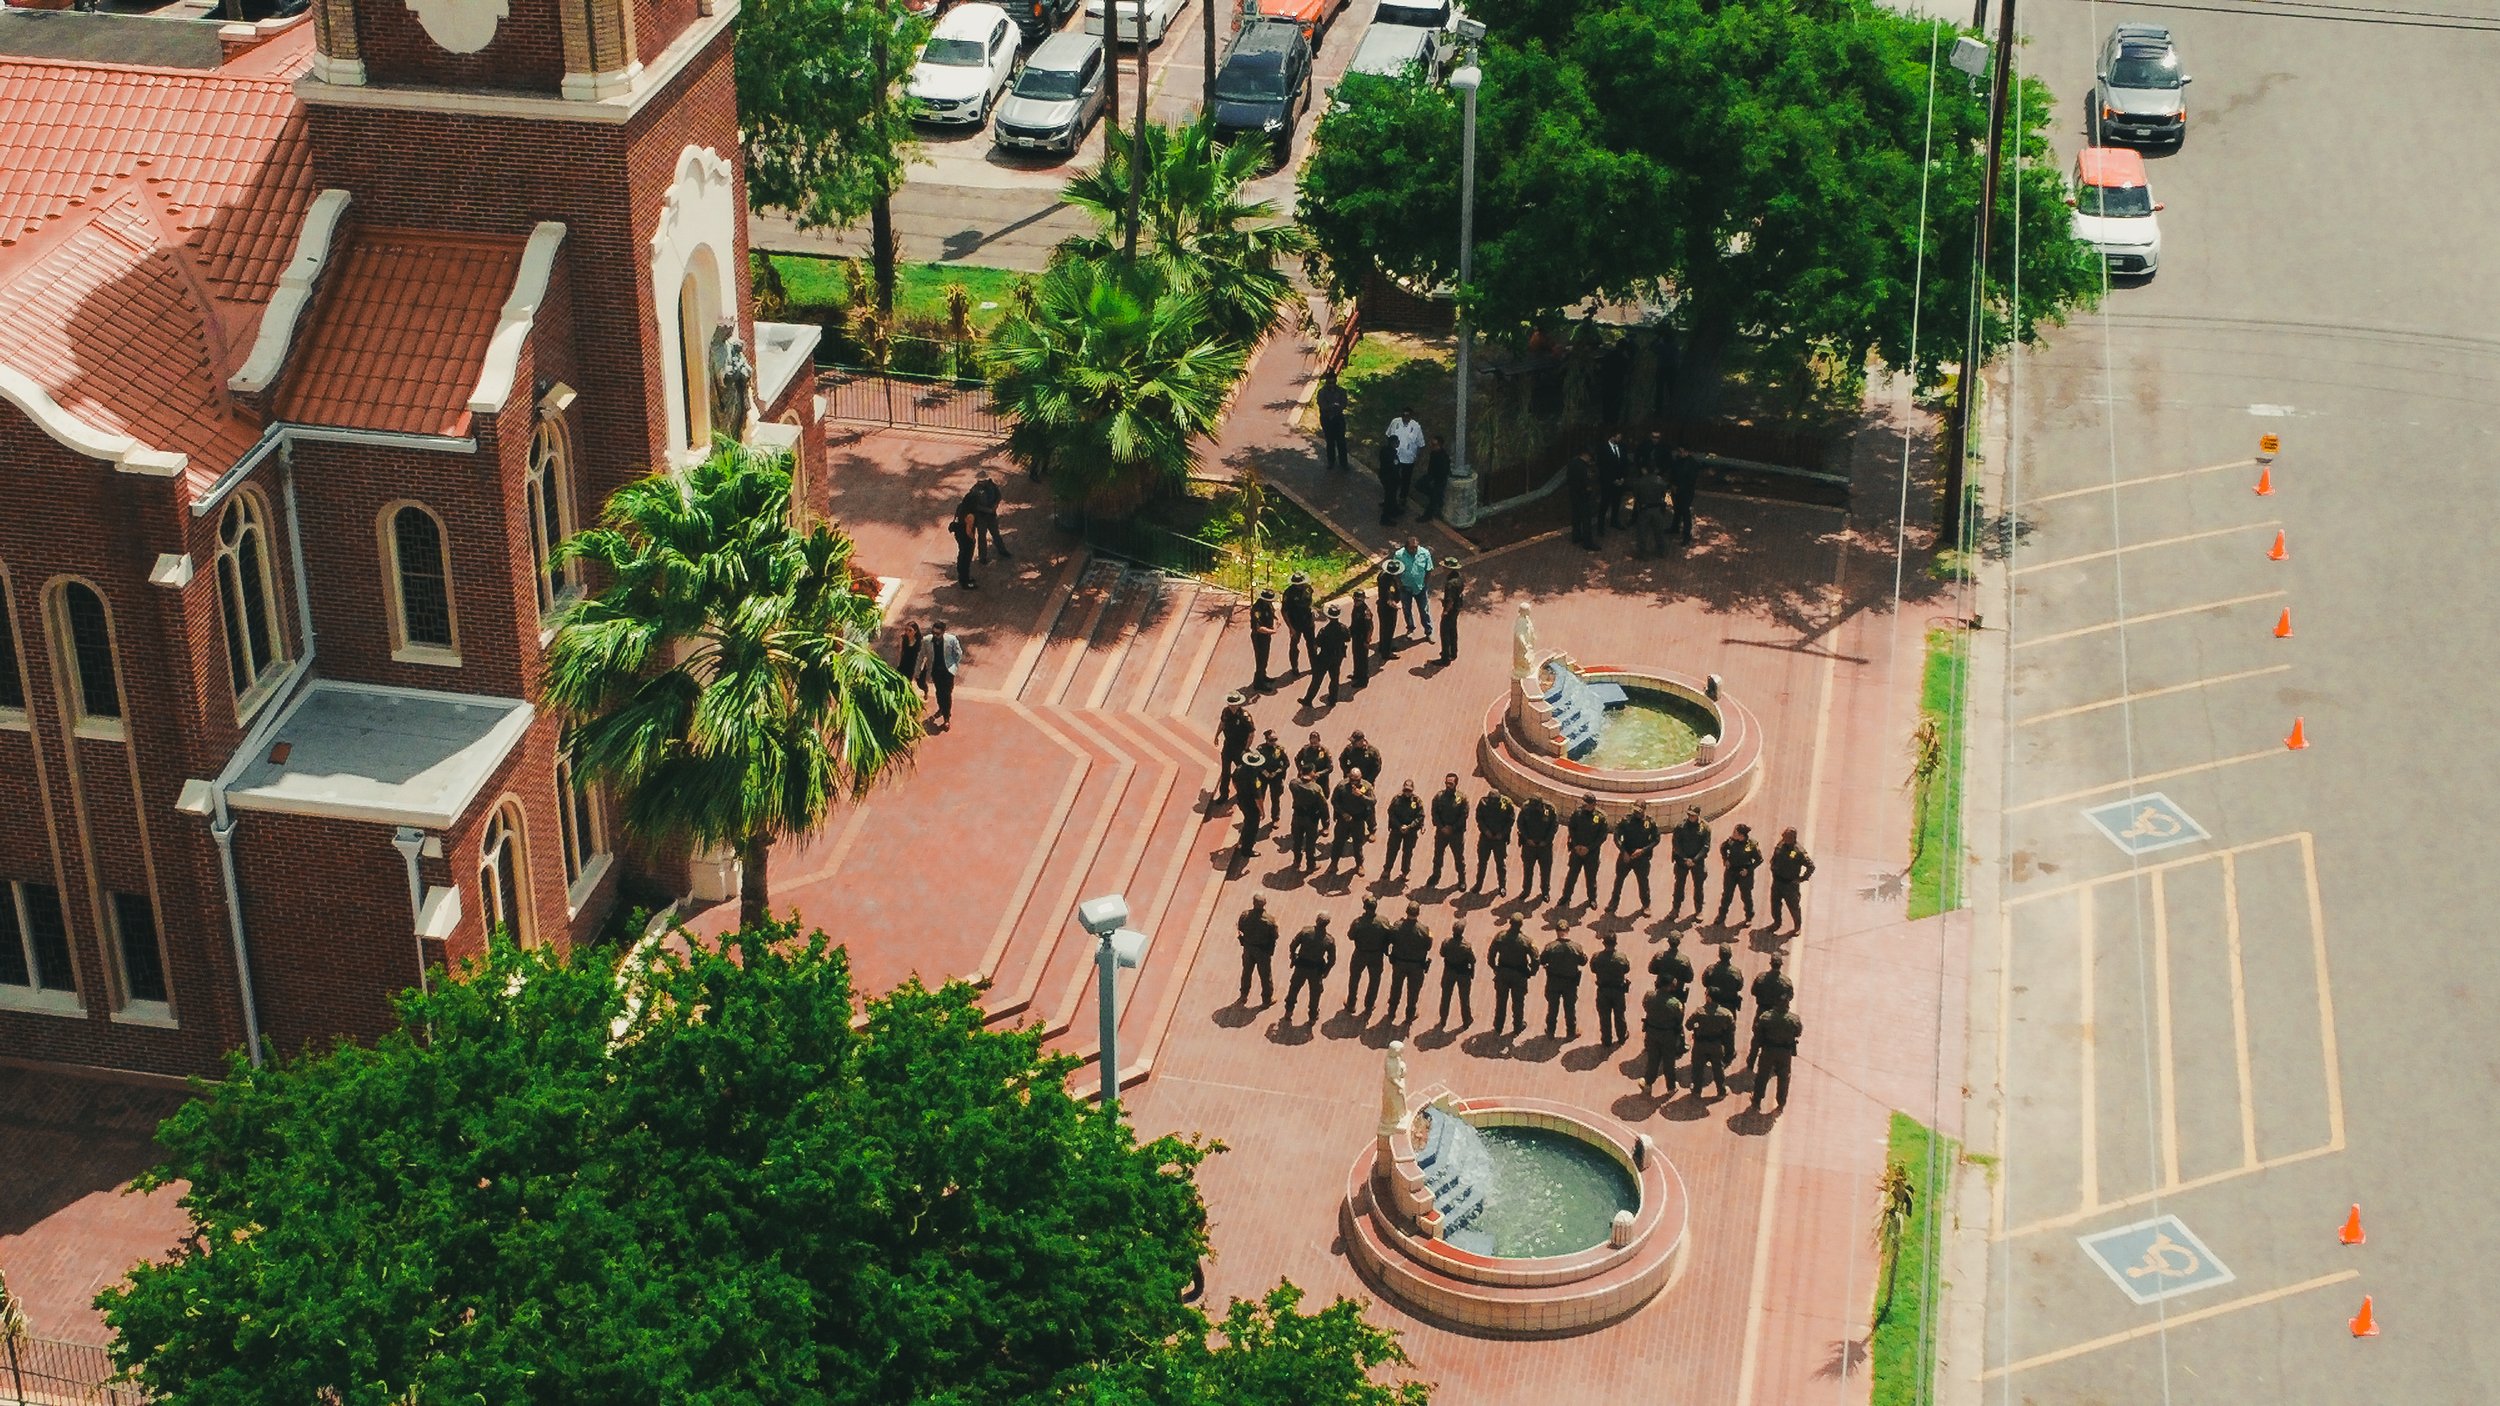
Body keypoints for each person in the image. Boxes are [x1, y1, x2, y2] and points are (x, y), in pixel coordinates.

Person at [1607, 798, 1662, 914]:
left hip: (1641, 858)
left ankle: (1646, 905)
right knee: (1619, 880)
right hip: (1626, 855)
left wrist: (1643, 850)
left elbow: (1656, 839)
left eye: (1639, 810)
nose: (1637, 813)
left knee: (1643, 882)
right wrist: (1623, 852)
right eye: (1635, 810)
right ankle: (1613, 902)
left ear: (1644, 810)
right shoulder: (1626, 820)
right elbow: (1616, 836)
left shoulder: (1649, 823)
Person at [1488, 916, 1539, 1036]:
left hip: (1503, 973)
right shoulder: (1526, 941)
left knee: (1501, 1001)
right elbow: (1536, 959)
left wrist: (1495, 968)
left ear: (1509, 923)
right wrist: (1532, 972)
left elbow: (1491, 955)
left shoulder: (1500, 937)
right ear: (1521, 925)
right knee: (1518, 1002)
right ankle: (1517, 1026)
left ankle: (1498, 1026)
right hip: (1519, 975)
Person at [1749, 1003, 1804, 1111]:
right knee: (1784, 1077)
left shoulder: (1765, 1017)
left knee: (1762, 1075)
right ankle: (1781, 1101)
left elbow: (1758, 1034)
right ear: (1787, 1006)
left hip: (1768, 1050)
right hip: (1785, 1052)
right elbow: (1798, 1033)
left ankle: (1757, 1100)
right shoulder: (1794, 1019)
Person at [1385, 901, 1433, 1023]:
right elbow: (1428, 946)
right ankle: (1409, 1015)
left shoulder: (1397, 926)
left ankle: (1392, 1011)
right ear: (1418, 913)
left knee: (1396, 987)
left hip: (1399, 963)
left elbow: (1391, 939)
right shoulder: (1424, 930)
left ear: (1407, 912)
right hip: (1416, 966)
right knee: (1413, 991)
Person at [1284, 913, 1337, 1024]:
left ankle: (1288, 1011)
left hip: (1301, 966)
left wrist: (1293, 958)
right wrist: (1326, 971)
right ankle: (1312, 1016)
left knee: (1294, 988)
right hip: (1316, 970)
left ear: (1317, 920)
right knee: (1315, 993)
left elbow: (1293, 946)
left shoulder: (1305, 932)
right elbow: (1332, 960)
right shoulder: (1329, 940)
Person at [1344, 896, 1393, 1015]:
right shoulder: (1383, 921)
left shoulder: (1358, 922)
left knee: (1354, 978)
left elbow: (1350, 936)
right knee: (1374, 980)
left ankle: (1351, 1003)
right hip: (1376, 955)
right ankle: (1369, 1005)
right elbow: (1389, 936)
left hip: (1360, 953)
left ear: (1364, 907)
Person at [1539, 927, 1589, 1039]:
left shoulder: (1550, 947)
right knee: (1570, 1008)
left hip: (1553, 981)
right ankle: (1571, 1032)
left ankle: (1551, 1032)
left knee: (1552, 1008)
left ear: (1556, 931)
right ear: (1568, 931)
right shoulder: (1576, 947)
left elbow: (1542, 960)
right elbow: (1583, 961)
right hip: (1570, 983)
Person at [1639, 983, 1687, 1097]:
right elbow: (1679, 1018)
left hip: (1652, 1032)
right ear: (1669, 986)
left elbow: (1645, 1006)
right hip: (1667, 1035)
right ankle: (1671, 1087)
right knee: (1669, 1061)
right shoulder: (1674, 1003)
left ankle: (1648, 1084)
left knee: (1653, 1059)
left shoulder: (1649, 996)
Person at [1563, 793, 1609, 907]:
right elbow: (1571, 829)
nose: (1584, 805)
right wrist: (1576, 845)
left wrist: (1588, 848)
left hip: (1591, 853)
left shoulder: (1600, 817)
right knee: (1571, 876)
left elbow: (1602, 836)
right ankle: (1566, 896)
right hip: (1577, 851)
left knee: (1591, 878)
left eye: (1587, 803)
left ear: (1593, 804)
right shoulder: (1577, 813)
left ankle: (1592, 898)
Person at [1768, 828, 1817, 936]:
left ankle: (1797, 926)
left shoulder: (1798, 851)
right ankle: (1776, 923)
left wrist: (1802, 878)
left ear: (1792, 838)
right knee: (1775, 904)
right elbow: (1775, 856)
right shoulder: (1781, 844)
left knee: (1793, 906)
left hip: (1790, 885)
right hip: (1777, 882)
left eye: (1785, 835)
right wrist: (1773, 866)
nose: (1782, 836)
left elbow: (1811, 866)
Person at [1667, 805, 1712, 920]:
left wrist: (1695, 859)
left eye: (1693, 815)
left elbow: (1706, 846)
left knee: (1698, 886)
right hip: (1682, 861)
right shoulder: (1680, 826)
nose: (1690, 817)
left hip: (1697, 862)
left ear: (1697, 815)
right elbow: (1676, 844)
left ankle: (1698, 910)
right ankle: (1675, 908)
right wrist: (1684, 858)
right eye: (1689, 815)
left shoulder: (1705, 828)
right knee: (1679, 886)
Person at [1688, 995, 1737, 1098]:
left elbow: (1688, 1025)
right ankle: (1721, 1091)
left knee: (1697, 1067)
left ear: (1709, 997)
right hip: (1716, 1044)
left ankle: (1697, 1091)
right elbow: (1731, 1028)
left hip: (1700, 1044)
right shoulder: (1726, 1013)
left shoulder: (1699, 1012)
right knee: (1718, 1068)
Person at [1426, 773, 1469, 888]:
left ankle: (1461, 879)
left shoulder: (1462, 798)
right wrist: (1442, 827)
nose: (1448, 785)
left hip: (1456, 834)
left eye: (1451, 784)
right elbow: (1434, 813)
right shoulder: (1439, 797)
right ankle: (1435, 876)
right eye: (1446, 783)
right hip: (1442, 833)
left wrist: (1453, 828)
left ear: (1456, 784)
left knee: (1459, 857)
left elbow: (1464, 815)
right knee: (1438, 855)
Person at [1303, 602, 1350, 707]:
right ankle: (1332, 700)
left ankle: (1308, 700)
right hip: (1338, 656)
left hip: (1325, 657)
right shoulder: (1343, 628)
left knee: (1317, 679)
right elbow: (1348, 639)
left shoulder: (1324, 631)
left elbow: (1317, 644)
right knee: (1334, 678)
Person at [1717, 822, 1763, 927]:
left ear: (1741, 835)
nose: (1733, 833)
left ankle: (1749, 917)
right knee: (1727, 895)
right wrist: (1726, 859)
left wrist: (1749, 870)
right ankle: (1721, 915)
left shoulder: (1751, 844)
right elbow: (1723, 848)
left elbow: (1759, 860)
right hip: (1731, 872)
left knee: (1746, 896)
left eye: (1735, 832)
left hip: (1744, 873)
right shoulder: (1731, 841)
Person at [1591, 931, 1633, 1046]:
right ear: (1616, 943)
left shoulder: (1596, 957)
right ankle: (1621, 1036)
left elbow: (1593, 969)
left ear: (1603, 943)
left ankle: (1606, 1039)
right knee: (1619, 1015)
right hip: (1618, 991)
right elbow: (1626, 969)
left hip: (1603, 991)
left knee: (1604, 1016)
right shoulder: (1621, 957)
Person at [1235, 896, 1279, 1005]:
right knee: (1265, 975)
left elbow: (1240, 928)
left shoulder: (1245, 915)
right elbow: (1275, 935)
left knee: (1246, 972)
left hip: (1248, 948)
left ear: (1253, 903)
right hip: (1262, 951)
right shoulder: (1269, 920)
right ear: (1264, 904)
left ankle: (1243, 995)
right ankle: (1267, 999)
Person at [1214, 692, 1255, 809]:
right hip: (1228, 746)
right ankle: (1224, 794)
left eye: (1235, 704)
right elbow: (1222, 723)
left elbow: (1251, 733)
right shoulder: (1226, 712)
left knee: (1241, 773)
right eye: (1231, 704)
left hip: (1240, 748)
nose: (1232, 706)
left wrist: (1246, 749)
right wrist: (1217, 734)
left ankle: (1244, 793)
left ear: (1239, 704)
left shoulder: (1245, 716)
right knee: (1225, 771)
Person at [1471, 787, 1515, 894]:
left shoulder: (1506, 805)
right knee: (1482, 863)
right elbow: (1479, 818)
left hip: (1499, 840)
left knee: (1500, 864)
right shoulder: (1483, 804)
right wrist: (1486, 831)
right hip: (1486, 838)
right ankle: (1478, 884)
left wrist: (1502, 834)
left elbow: (1511, 820)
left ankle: (1502, 886)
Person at [1516, 795, 1559, 901]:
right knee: (1528, 869)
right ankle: (1526, 890)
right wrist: (1527, 838)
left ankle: (1545, 892)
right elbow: (1520, 824)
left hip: (1544, 847)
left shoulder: (1549, 809)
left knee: (1545, 870)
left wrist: (1546, 841)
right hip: (1529, 845)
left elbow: (1554, 827)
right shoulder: (1526, 808)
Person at [961, 470, 1010, 562]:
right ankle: (982, 557)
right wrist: (988, 510)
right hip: (981, 518)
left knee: (996, 534)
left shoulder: (992, 485)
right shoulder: (974, 490)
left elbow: (998, 495)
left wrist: (995, 505)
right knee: (982, 537)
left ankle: (1002, 551)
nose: (982, 482)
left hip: (991, 516)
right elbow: (974, 505)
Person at [1330, 776, 1376, 874]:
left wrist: (1361, 795)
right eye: (1352, 780)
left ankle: (1359, 864)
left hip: (1358, 820)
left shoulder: (1366, 786)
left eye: (1357, 780)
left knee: (1358, 844)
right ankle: (1334, 863)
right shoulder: (1341, 786)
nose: (1354, 782)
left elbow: (1373, 801)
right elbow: (1334, 801)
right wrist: (1343, 813)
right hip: (1343, 820)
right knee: (1338, 842)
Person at [1390, 537, 1434, 641]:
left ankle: (1428, 631)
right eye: (1412, 548)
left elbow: (1429, 569)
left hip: (1420, 588)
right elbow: (1395, 572)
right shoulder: (1399, 555)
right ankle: (1410, 629)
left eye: (1416, 548)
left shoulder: (1425, 553)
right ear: (1406, 547)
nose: (1414, 550)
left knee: (1424, 610)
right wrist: (1400, 584)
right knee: (1407, 609)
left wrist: (1425, 584)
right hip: (1406, 588)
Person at [1289, 769, 1332, 871]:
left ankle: (1296, 862)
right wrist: (1326, 824)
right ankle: (1311, 865)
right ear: (1311, 772)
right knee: (1310, 843)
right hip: (1311, 818)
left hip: (1297, 816)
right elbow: (1323, 806)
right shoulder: (1316, 788)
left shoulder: (1293, 783)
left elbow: (1300, 785)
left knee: (1297, 841)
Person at [1437, 920, 1477, 1027]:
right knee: (1464, 998)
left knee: (1445, 997)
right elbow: (1472, 960)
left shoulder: (1446, 942)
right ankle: (1466, 1020)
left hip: (1449, 972)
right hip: (1463, 974)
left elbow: (1442, 954)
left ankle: (1443, 1019)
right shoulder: (1466, 946)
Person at [1384, 779, 1425, 881]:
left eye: (1409, 791)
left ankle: (1405, 872)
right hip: (1397, 830)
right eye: (1406, 790)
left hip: (1410, 832)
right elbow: (1391, 813)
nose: (1407, 792)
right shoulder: (1397, 799)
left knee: (1407, 852)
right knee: (1392, 850)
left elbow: (1420, 816)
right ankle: (1387, 869)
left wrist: (1410, 826)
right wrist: (1399, 826)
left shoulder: (1416, 801)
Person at [1629, 458, 1670, 558]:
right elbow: (1663, 494)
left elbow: (1636, 496)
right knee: (1659, 531)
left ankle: (1642, 553)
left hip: (1644, 509)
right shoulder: (1660, 481)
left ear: (1644, 469)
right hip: (1657, 508)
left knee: (1642, 531)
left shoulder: (1639, 482)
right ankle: (1662, 551)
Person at [1230, 748, 1268, 858]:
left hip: (1241, 799)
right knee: (1252, 827)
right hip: (1251, 804)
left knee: (1247, 821)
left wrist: (1239, 791)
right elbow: (1257, 798)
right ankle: (1247, 849)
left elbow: (1234, 781)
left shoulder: (1239, 769)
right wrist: (1262, 811)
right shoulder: (1254, 778)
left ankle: (1242, 840)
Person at [928, 619, 963, 730]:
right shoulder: (928, 640)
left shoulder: (951, 640)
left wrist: (953, 666)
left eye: (937, 634)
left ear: (943, 632)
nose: (935, 635)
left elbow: (958, 654)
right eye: (933, 633)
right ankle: (941, 709)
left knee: (947, 694)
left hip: (947, 672)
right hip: (936, 671)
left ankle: (946, 718)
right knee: (939, 692)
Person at [1280, 573, 1317, 675]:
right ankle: (1294, 667)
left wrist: (1313, 611)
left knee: (1312, 646)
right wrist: (1290, 628)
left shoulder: (1307, 588)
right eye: (1297, 583)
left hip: (1308, 622)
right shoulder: (1288, 593)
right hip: (1295, 623)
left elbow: (1310, 601)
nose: (1299, 585)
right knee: (1294, 646)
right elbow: (1284, 611)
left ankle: (1314, 666)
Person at [1668, 442, 1703, 545]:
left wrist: (1679, 487)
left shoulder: (1693, 464)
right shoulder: (1677, 460)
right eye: (1679, 451)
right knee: (1677, 509)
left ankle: (1686, 535)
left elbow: (1691, 480)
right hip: (1676, 490)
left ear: (1687, 451)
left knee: (1685, 512)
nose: (1680, 453)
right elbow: (1672, 473)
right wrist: (1673, 485)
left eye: (1682, 451)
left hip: (1686, 492)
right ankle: (1674, 527)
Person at [1599, 431, 1634, 531]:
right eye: (1618, 438)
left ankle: (1614, 521)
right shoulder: (1603, 448)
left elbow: (1625, 463)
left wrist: (1623, 477)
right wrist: (1612, 479)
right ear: (1612, 437)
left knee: (1617, 502)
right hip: (1608, 482)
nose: (1619, 440)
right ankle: (1600, 526)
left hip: (1620, 481)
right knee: (1604, 503)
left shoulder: (1622, 447)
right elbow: (1603, 467)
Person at [1316, 370, 1350, 472]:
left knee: (1341, 442)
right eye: (1329, 383)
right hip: (1327, 419)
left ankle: (1344, 463)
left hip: (1338, 419)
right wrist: (1333, 406)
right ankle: (1331, 461)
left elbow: (1344, 404)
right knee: (1330, 441)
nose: (1331, 385)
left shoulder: (1341, 391)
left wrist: (1336, 407)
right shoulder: (1322, 392)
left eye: (1333, 382)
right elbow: (1323, 405)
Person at [1567, 451, 1602, 550]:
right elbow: (1587, 482)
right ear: (1586, 455)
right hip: (1583, 495)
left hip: (1573, 494)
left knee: (1576, 517)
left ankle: (1576, 536)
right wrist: (1588, 490)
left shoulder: (1572, 463)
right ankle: (1588, 543)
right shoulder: (1584, 467)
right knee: (1586, 520)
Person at [1248, 589, 1280, 693]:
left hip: (1266, 636)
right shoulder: (1257, 610)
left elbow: (1273, 613)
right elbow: (1258, 628)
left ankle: (1263, 676)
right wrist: (1272, 631)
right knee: (1260, 660)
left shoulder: (1268, 605)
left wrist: (1276, 620)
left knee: (1265, 658)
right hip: (1259, 638)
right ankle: (1258, 683)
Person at [1257, 731, 1290, 833]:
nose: (1274, 742)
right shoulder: (1260, 749)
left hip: (1275, 777)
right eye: (1271, 740)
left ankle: (1275, 818)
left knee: (1275, 798)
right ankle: (1258, 813)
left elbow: (1286, 763)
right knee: (1260, 796)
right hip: (1263, 777)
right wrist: (1263, 771)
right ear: (1266, 740)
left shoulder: (1279, 749)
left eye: (1275, 740)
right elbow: (1256, 762)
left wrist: (1277, 772)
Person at [1648, 930, 1694, 1001]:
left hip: (1660, 988)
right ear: (1679, 943)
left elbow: (1651, 970)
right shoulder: (1684, 960)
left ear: (1668, 942)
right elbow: (1689, 978)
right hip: (1677, 991)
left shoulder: (1659, 956)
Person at [1388, 407, 1425, 495]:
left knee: (1406, 479)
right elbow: (1389, 436)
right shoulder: (1395, 422)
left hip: (1408, 458)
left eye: (1407, 416)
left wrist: (1417, 457)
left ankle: (1403, 498)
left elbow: (1420, 444)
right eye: (1404, 415)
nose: (1405, 417)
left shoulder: (1416, 427)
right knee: (1392, 477)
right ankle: (1391, 495)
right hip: (1395, 455)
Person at [1702, 945, 1745, 1017]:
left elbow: (1705, 983)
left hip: (1713, 1006)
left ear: (1719, 955)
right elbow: (1739, 987)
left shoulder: (1711, 969)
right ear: (1730, 956)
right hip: (1729, 1006)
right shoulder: (1736, 972)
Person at [1435, 562, 1463, 666]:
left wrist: (1445, 611)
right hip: (1457, 607)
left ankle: (1445, 658)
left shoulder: (1450, 583)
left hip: (1451, 610)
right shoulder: (1459, 577)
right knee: (1453, 630)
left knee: (1445, 633)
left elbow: (1450, 600)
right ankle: (1453, 652)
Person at [895, 621, 931, 702]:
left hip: (917, 663)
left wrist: (920, 668)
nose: (907, 632)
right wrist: (899, 663)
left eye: (910, 630)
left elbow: (924, 655)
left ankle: (925, 691)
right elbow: (900, 652)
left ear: (915, 631)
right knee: (904, 681)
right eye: (906, 630)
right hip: (906, 663)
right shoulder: (903, 639)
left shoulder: (921, 641)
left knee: (920, 683)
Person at [1418, 436, 1451, 522]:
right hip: (1432, 476)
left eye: (1434, 444)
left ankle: (1427, 516)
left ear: (1439, 445)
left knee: (1434, 498)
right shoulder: (1433, 454)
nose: (1432, 446)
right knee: (1419, 485)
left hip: (1439, 479)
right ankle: (1437, 499)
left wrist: (1434, 480)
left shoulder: (1443, 456)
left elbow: (1444, 471)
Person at [1377, 433, 1406, 524]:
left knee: (1390, 495)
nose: (1398, 443)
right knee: (1390, 496)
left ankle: (1394, 509)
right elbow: (1394, 466)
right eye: (1397, 442)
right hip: (1390, 479)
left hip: (1384, 476)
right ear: (1393, 443)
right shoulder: (1392, 453)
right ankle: (1385, 518)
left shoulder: (1384, 450)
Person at [1349, 590, 1374, 689]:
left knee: (1362, 659)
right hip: (1356, 636)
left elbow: (1370, 628)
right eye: (1355, 599)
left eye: (1358, 600)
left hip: (1362, 638)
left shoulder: (1365, 611)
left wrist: (1367, 641)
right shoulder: (1356, 608)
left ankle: (1363, 680)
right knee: (1356, 656)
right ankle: (1357, 674)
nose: (1356, 601)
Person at [950, 510, 979, 589]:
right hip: (967, 540)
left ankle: (962, 577)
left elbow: (955, 518)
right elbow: (968, 531)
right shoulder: (970, 515)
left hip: (959, 535)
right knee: (966, 560)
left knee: (961, 555)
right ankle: (965, 582)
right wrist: (973, 539)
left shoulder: (961, 507)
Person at [1374, 579, 1398, 663]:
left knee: (1383, 628)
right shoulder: (1390, 582)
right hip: (1388, 610)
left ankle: (1382, 646)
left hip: (1382, 607)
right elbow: (1390, 599)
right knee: (1389, 630)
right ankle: (1386, 652)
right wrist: (1396, 605)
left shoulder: (1382, 576)